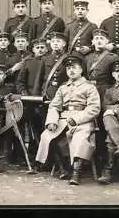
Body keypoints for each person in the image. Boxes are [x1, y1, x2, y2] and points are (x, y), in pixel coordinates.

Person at [34, 55, 101, 185]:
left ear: (81, 69)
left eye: (74, 67)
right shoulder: (63, 88)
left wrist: (76, 119)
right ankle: (63, 167)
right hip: (63, 118)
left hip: (83, 120)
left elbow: (94, 108)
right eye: (69, 68)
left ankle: (76, 172)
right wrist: (52, 121)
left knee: (80, 138)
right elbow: (54, 106)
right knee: (47, 136)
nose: (71, 70)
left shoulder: (89, 87)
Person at [84, 28, 119, 174]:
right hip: (90, 92)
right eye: (96, 38)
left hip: (105, 92)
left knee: (105, 123)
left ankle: (106, 159)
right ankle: (91, 157)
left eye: (102, 39)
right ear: (92, 42)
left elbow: (115, 79)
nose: (99, 41)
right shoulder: (87, 58)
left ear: (107, 42)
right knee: (91, 123)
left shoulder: (113, 57)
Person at [35, 32, 69, 102]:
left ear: (64, 44)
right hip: (47, 92)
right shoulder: (45, 59)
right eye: (53, 41)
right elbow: (39, 79)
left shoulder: (68, 58)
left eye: (58, 41)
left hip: (63, 93)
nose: (55, 43)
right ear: (50, 44)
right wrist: (36, 96)